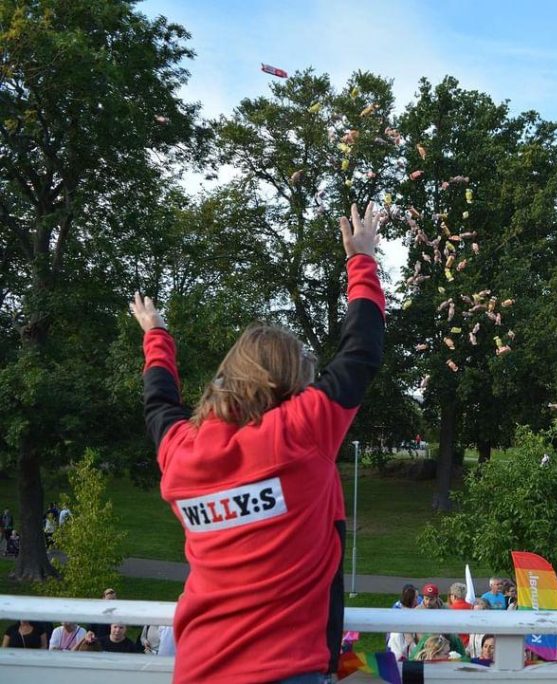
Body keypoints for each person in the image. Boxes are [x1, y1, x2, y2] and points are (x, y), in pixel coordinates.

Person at [131, 202, 384, 683]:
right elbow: (360, 353)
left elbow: (159, 406)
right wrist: (361, 261)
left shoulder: (181, 454)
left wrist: (156, 334)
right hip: (286, 669)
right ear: (291, 380)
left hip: (198, 669)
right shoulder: (300, 431)